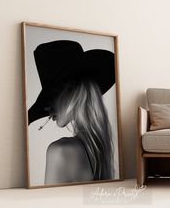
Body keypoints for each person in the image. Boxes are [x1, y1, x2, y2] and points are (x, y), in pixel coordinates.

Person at [28, 40, 115, 184]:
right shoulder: (98, 151)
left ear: (70, 90)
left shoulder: (60, 151)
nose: (47, 108)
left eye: (51, 97)